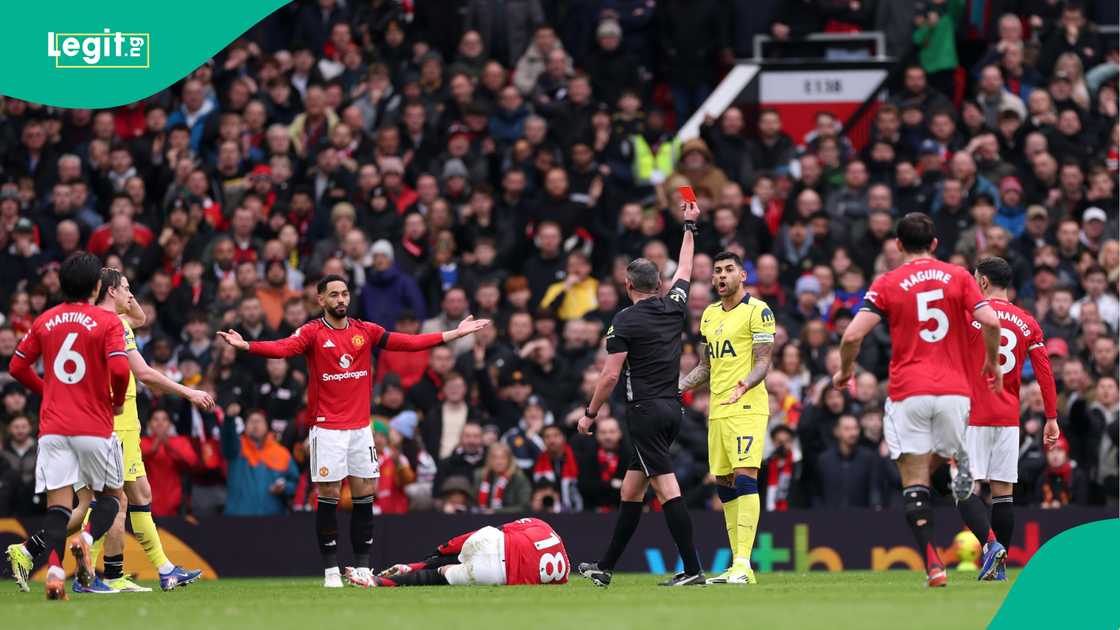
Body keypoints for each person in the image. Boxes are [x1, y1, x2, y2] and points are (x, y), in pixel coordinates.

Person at [217, 274, 489, 588]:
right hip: (327, 429)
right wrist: (247, 345)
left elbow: (407, 343)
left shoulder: (365, 330)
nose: (341, 300)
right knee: (329, 495)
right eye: (334, 295)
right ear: (321, 300)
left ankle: (361, 567)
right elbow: (282, 348)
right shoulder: (312, 332)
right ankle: (331, 570)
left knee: (364, 495)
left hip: (361, 429)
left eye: (344, 294)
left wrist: (452, 334)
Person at [832, 213, 1002, 588]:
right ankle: (984, 530)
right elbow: (991, 322)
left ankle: (934, 566)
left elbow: (851, 337)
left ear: (897, 245)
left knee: (914, 480)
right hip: (956, 393)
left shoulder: (889, 282)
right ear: (935, 244)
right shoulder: (958, 276)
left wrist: (845, 372)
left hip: (909, 391)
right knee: (944, 472)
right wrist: (991, 362)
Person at [576, 201, 704, 588]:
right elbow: (685, 267)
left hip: (645, 411)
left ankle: (694, 570)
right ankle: (605, 567)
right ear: (660, 285)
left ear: (627, 285)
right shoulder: (674, 306)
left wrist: (590, 414)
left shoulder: (624, 320)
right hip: (671, 408)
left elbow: (610, 375)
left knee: (666, 488)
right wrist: (688, 226)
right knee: (632, 490)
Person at [69, 268, 214, 593]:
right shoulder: (115, 325)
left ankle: (145, 572)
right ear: (110, 292)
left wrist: (125, 293)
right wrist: (189, 392)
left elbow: (141, 316)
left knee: (133, 498)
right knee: (114, 502)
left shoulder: (93, 322)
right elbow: (144, 373)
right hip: (117, 425)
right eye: (126, 289)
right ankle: (87, 572)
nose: (131, 296)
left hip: (112, 422)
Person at [5, 252, 131, 599]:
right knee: (112, 499)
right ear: (96, 286)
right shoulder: (107, 323)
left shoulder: (45, 320)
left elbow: (16, 367)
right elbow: (120, 371)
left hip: (54, 429)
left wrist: (47, 390)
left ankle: (56, 575)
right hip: (93, 424)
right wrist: (117, 400)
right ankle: (87, 540)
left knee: (59, 510)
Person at [956, 257, 1061, 581]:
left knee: (964, 490)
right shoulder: (1027, 321)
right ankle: (998, 568)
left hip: (974, 413)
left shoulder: (970, 315)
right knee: (1003, 493)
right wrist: (1051, 417)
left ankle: (991, 548)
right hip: (1007, 415)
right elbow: (1044, 373)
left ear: (984, 282)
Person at [679, 250, 775, 585]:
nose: (721, 276)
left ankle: (744, 563)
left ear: (743, 275)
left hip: (747, 404)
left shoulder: (758, 311)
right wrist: (678, 387)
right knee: (724, 483)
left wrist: (745, 383)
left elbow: (764, 361)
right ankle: (737, 565)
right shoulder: (708, 315)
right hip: (718, 410)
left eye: (729, 270)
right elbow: (706, 367)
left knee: (745, 475)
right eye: (717, 271)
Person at [344, 517, 568, 587]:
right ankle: (378, 582)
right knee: (440, 574)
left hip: (496, 545)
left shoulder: (539, 524)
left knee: (457, 552)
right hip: (501, 576)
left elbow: (495, 531)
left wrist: (441, 549)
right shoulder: (565, 571)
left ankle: (415, 565)